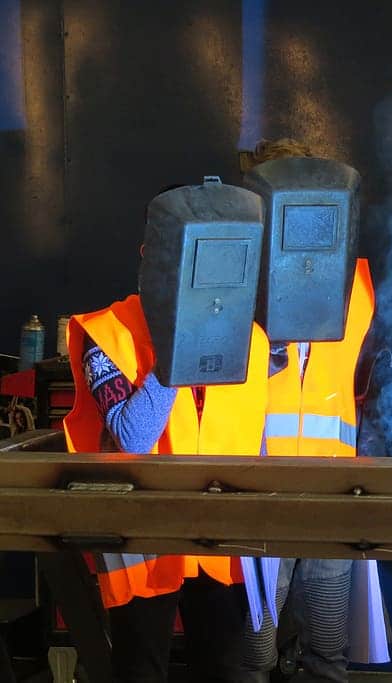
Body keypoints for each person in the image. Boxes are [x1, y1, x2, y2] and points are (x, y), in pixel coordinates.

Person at [64, 179, 269, 682]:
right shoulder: (107, 332)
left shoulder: (253, 341)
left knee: (222, 670)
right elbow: (133, 437)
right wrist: (180, 350)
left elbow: (255, 441)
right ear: (150, 258)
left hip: (219, 535)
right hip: (142, 537)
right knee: (141, 671)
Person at [238, 139, 388, 683]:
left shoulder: (358, 286)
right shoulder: (233, 283)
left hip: (331, 500)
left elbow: (370, 390)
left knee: (327, 656)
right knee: (253, 659)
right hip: (257, 501)